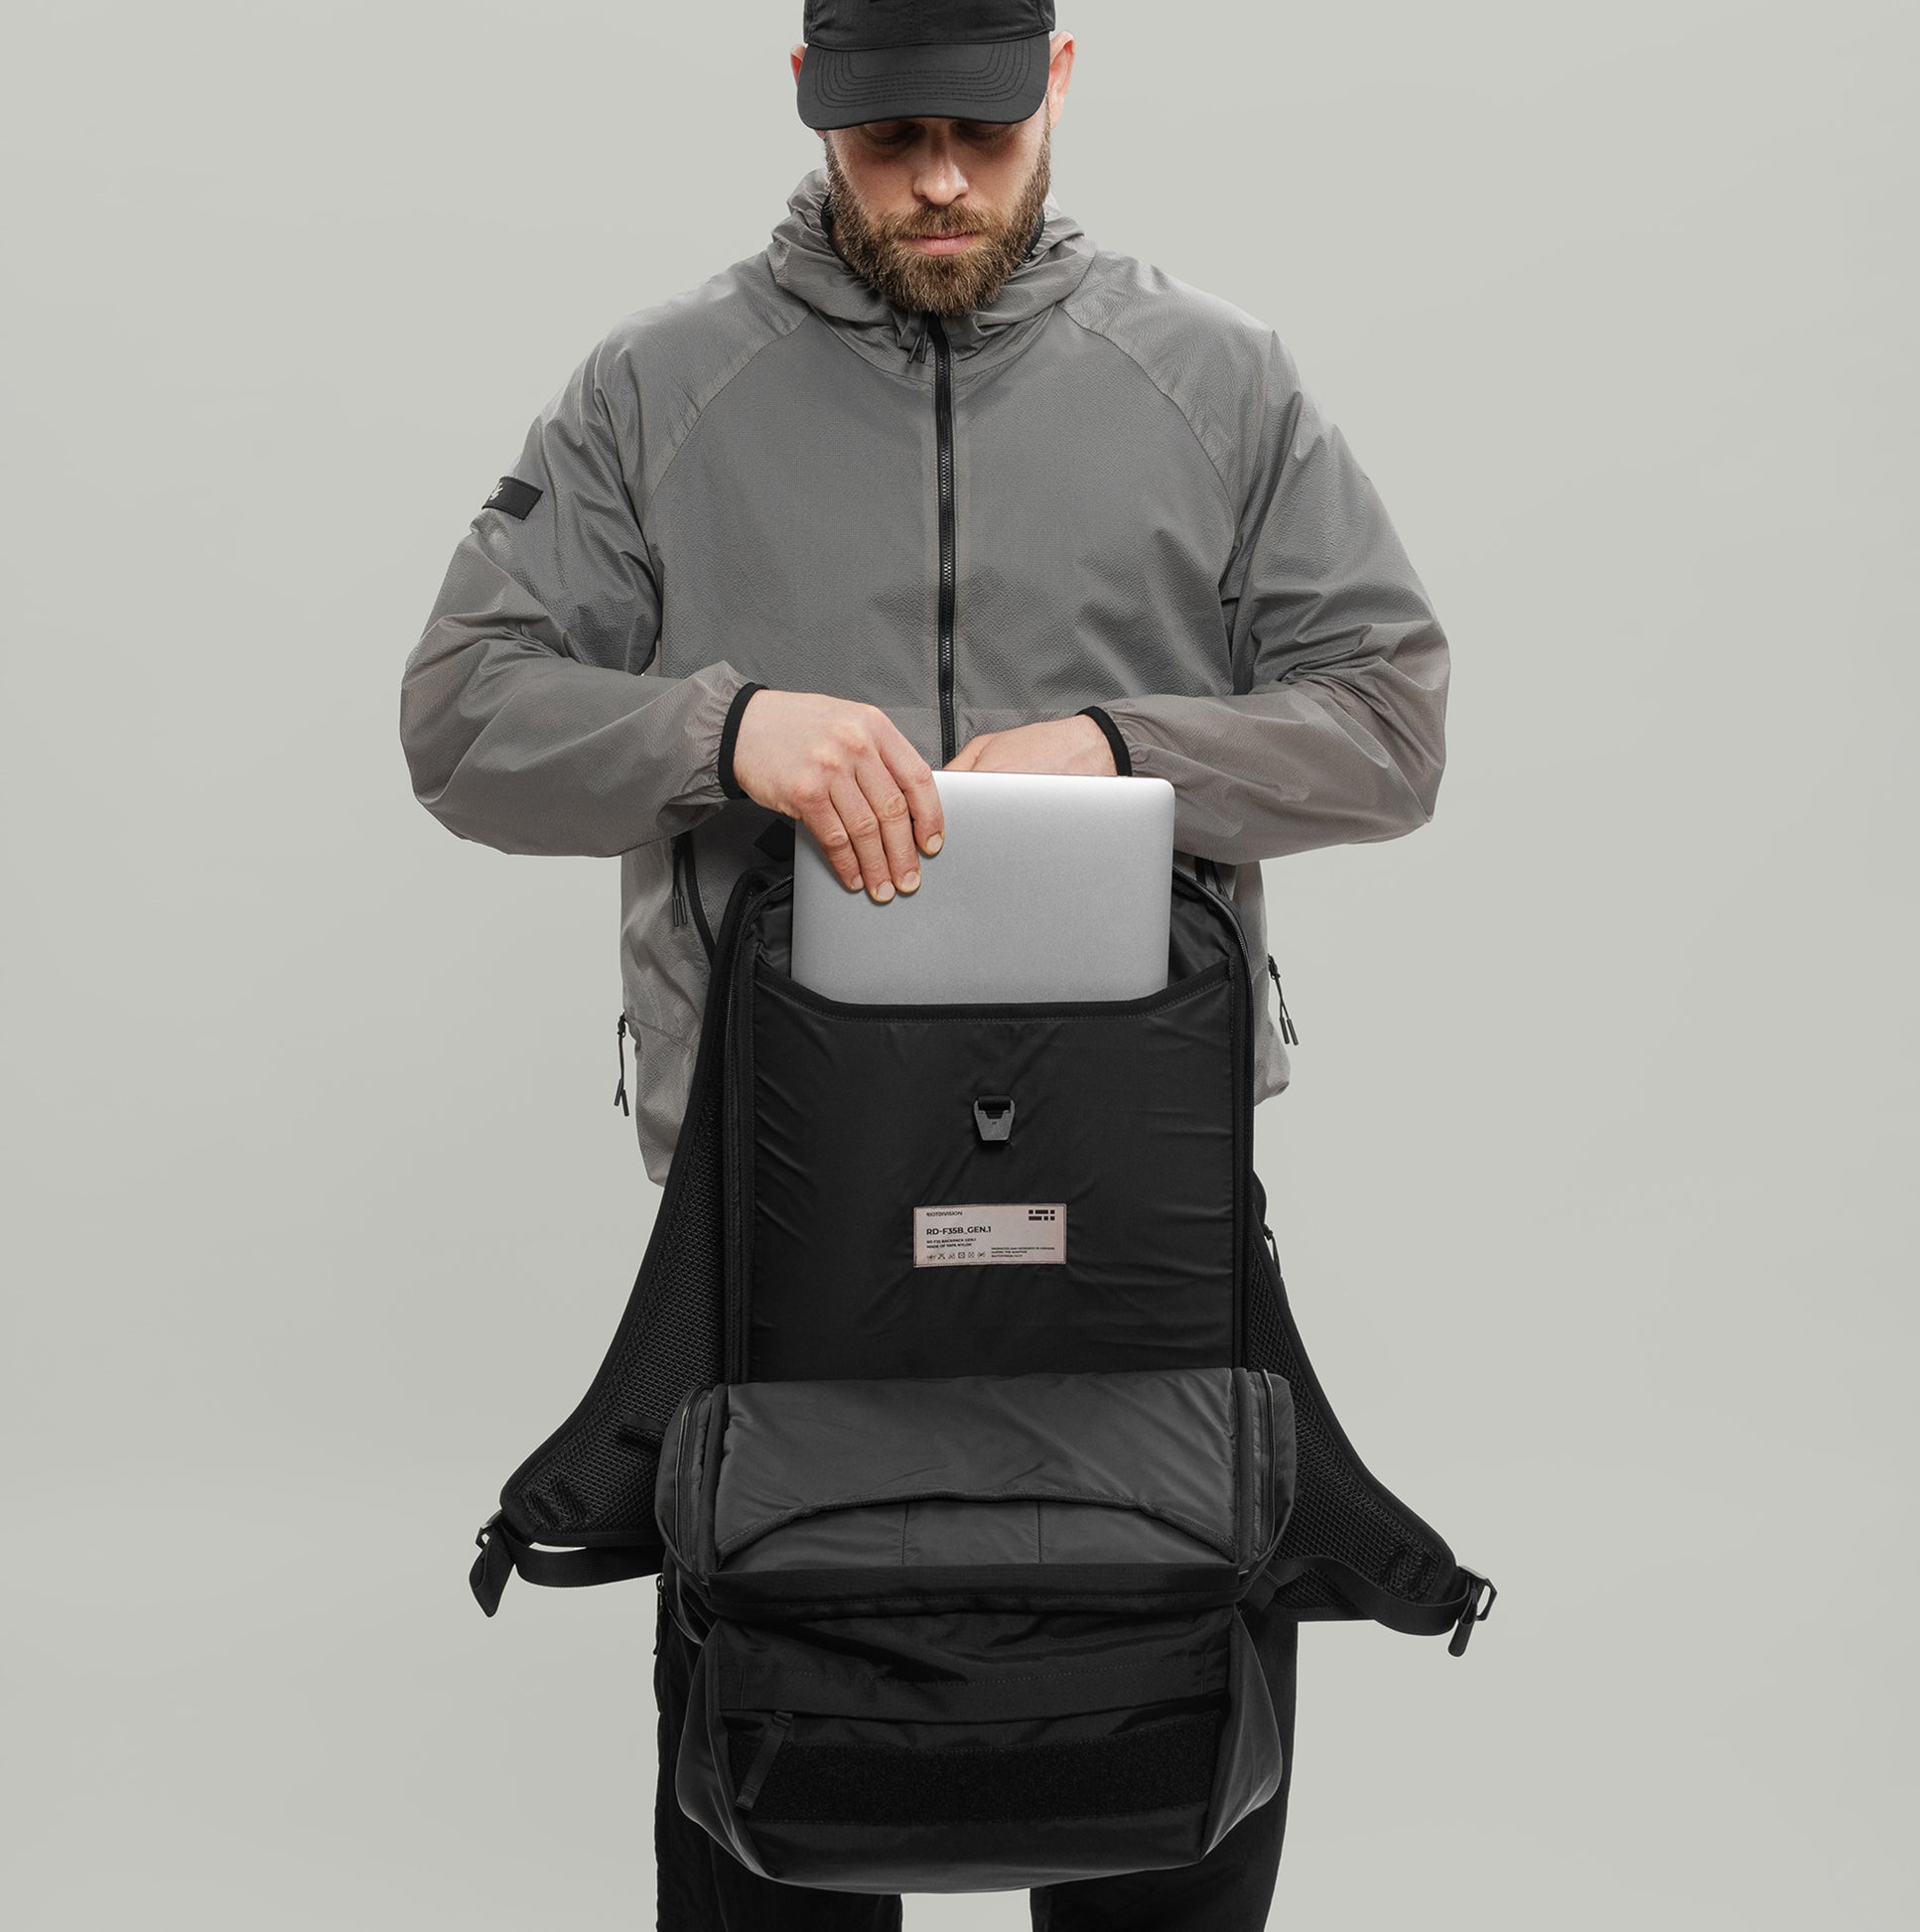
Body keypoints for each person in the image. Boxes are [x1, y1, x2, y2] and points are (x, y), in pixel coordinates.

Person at [401, 5, 1448, 1926]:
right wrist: (728, 731)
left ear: (1060, 81)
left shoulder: (1219, 381)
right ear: (808, 101)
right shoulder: (658, 388)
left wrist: (1126, 748)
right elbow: (460, 717)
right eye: (890, 140)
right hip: (781, 1201)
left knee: (1168, 1699)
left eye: (981, 128)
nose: (941, 182)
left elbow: (1390, 725)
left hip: (1139, 1187)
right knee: (782, 1752)